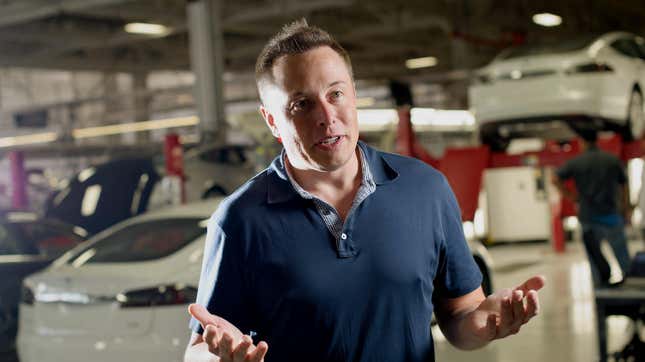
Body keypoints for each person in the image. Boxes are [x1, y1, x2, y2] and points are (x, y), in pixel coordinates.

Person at [184, 19, 545, 362]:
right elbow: (200, 347)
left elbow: (461, 313)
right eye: (302, 104)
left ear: (354, 95)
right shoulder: (240, 220)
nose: (327, 116)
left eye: (336, 93)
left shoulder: (425, 189)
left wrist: (486, 323)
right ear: (272, 120)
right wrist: (216, 357)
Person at [553, 129, 631, 287]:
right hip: (611, 215)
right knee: (621, 254)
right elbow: (624, 185)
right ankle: (629, 285)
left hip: (589, 217)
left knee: (594, 257)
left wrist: (570, 196)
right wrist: (625, 208)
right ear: (597, 141)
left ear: (582, 142)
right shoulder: (611, 160)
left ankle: (600, 288)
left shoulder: (577, 161)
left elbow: (555, 178)